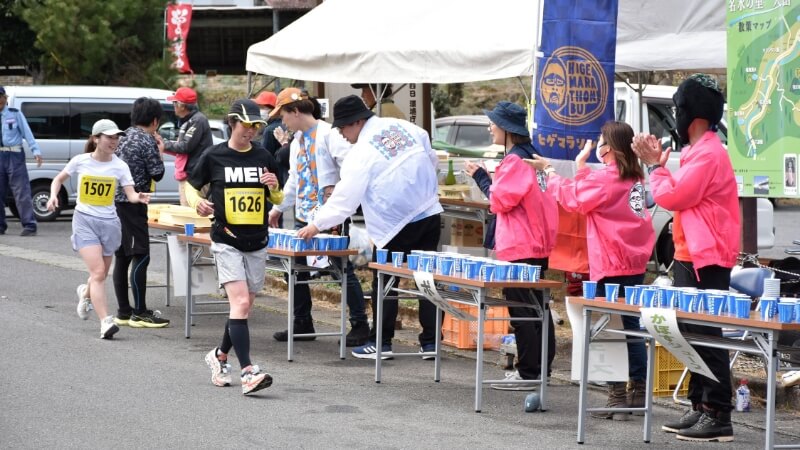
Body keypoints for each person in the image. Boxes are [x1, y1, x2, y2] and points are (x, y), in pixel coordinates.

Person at [632, 73, 738, 442]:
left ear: (690, 115)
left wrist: (656, 168)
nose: (673, 116)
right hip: (690, 253)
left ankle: (719, 413)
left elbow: (673, 198)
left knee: (707, 334)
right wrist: (660, 167)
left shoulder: (709, 153)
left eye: (677, 109)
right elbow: (676, 193)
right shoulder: (697, 151)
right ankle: (700, 406)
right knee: (690, 333)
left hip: (706, 257)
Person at [297, 94, 443, 360]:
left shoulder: (361, 153)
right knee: (426, 278)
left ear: (357, 122)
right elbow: (430, 158)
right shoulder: (405, 128)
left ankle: (382, 343)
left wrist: (316, 225)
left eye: (342, 128)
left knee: (385, 280)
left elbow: (344, 199)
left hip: (395, 223)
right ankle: (431, 342)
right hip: (428, 211)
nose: (341, 134)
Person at [528, 121, 654, 416]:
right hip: (635, 260)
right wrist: (581, 166)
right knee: (631, 327)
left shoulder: (608, 178)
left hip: (611, 261)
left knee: (609, 328)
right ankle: (638, 389)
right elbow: (589, 194)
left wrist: (548, 171)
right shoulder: (634, 176)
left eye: (601, 140)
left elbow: (574, 200)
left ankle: (617, 394)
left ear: (608, 147)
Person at [463, 101, 558, 389]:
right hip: (538, 243)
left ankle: (529, 372)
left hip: (520, 244)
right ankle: (540, 370)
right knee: (538, 307)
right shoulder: (534, 158)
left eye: (493, 123)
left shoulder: (514, 161)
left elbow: (499, 200)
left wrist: (480, 176)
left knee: (522, 310)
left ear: (506, 128)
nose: (490, 127)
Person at [189, 98, 281, 395]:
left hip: (257, 240)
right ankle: (249, 371)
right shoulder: (214, 156)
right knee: (240, 303)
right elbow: (190, 186)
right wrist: (197, 203)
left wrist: (274, 189)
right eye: (246, 125)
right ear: (231, 123)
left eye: (256, 126)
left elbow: (278, 199)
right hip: (226, 239)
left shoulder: (266, 154)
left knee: (244, 307)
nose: (251, 131)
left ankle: (218, 356)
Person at [266, 88, 369, 346]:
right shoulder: (298, 141)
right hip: (304, 215)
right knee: (295, 269)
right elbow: (294, 178)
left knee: (341, 268)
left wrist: (340, 193)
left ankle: (359, 323)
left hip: (329, 216)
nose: (282, 122)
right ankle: (302, 321)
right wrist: (278, 208)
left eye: (283, 115)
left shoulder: (329, 134)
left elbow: (352, 167)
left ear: (296, 111)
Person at [46, 119, 151, 339]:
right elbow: (58, 179)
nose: (114, 141)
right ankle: (106, 322)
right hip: (84, 221)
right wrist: (54, 195)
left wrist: (138, 197)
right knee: (98, 273)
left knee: (98, 275)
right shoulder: (81, 161)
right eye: (109, 137)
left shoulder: (120, 165)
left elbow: (130, 194)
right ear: (96, 139)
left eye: (116, 137)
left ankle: (85, 292)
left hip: (110, 224)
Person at [111, 97, 170, 328]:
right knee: (141, 255)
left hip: (113, 202)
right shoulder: (146, 141)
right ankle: (140, 312)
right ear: (155, 121)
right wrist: (160, 151)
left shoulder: (121, 137)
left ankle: (123, 311)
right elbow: (157, 174)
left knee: (122, 256)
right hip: (133, 202)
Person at [0, 86, 43, 236]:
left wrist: (36, 151)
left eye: (0, 97)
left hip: (14, 155)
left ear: (5, 98)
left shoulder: (15, 114)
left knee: (21, 191)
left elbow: (27, 133)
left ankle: (29, 225)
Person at [163, 87, 213, 206]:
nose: (173, 105)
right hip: (192, 175)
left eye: (175, 102)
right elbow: (183, 146)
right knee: (189, 213)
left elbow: (185, 146)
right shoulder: (191, 120)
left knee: (191, 213)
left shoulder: (197, 120)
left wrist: (163, 143)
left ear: (182, 105)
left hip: (195, 176)